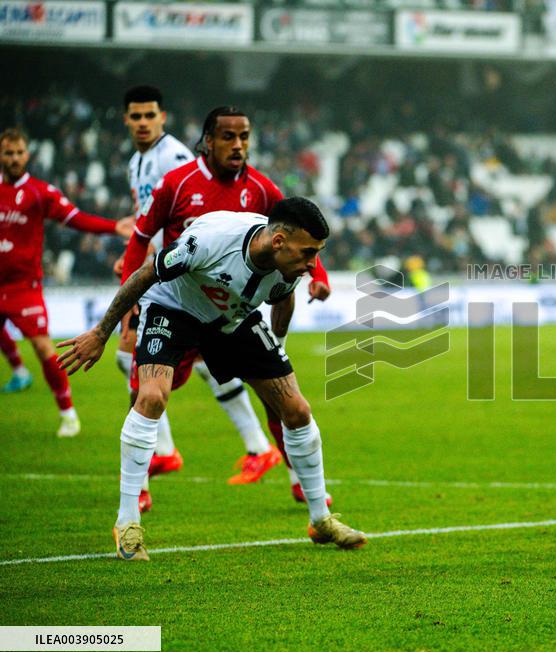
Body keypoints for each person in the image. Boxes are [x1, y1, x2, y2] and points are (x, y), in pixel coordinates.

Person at [58, 198, 366, 560]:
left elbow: (282, 302)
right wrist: (101, 332)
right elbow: (144, 275)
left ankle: (321, 520)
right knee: (152, 397)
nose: (313, 265)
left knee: (297, 410)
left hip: (231, 320)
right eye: (309, 253)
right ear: (279, 241)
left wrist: (275, 355)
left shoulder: (287, 269)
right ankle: (127, 524)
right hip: (173, 310)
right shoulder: (210, 242)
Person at [121, 106, 331, 497]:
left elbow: (302, 233)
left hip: (231, 309)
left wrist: (317, 276)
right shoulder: (177, 183)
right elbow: (141, 237)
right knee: (143, 390)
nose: (238, 145)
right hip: (177, 305)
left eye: (245, 137)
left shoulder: (263, 188)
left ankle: (297, 475)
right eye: (229, 137)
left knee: (278, 392)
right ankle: (140, 484)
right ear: (208, 141)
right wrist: (129, 305)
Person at [0, 128, 132, 436]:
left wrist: (114, 227)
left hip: (24, 287)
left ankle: (68, 414)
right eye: (8, 153)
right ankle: (19, 371)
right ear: (1, 156)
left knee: (44, 347)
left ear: (27, 155)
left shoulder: (39, 192)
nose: (15, 158)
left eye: (19, 153)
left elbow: (75, 218)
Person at [116, 85, 194, 510]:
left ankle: (272, 456)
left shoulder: (174, 158)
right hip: (152, 279)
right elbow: (147, 222)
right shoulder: (136, 162)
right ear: (126, 120)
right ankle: (151, 466)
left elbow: (184, 220)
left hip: (176, 283)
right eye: (136, 116)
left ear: (163, 116)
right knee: (134, 369)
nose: (143, 122)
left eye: (150, 115)